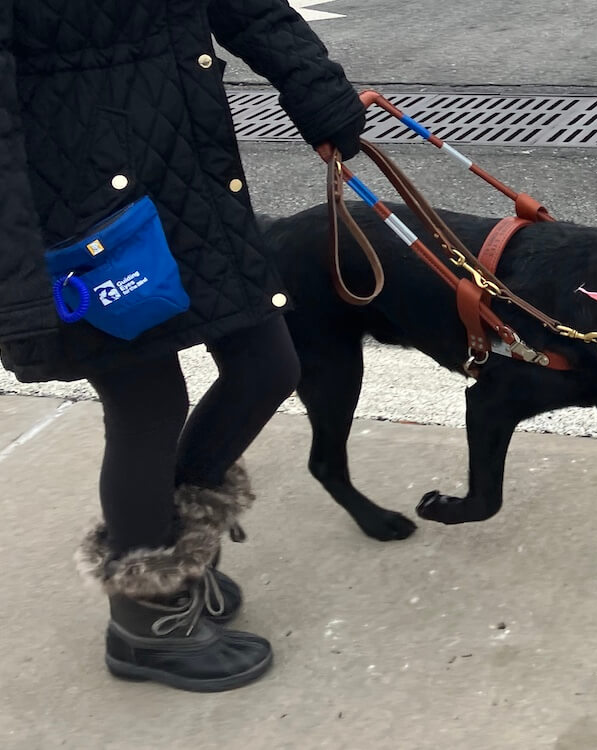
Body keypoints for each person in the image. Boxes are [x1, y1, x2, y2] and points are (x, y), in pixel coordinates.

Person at [0, 0, 366, 692]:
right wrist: (16, 286)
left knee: (267, 366)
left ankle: (174, 542)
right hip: (79, 210)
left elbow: (250, 8)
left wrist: (320, 96)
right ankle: (147, 621)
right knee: (148, 407)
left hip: (188, 177)